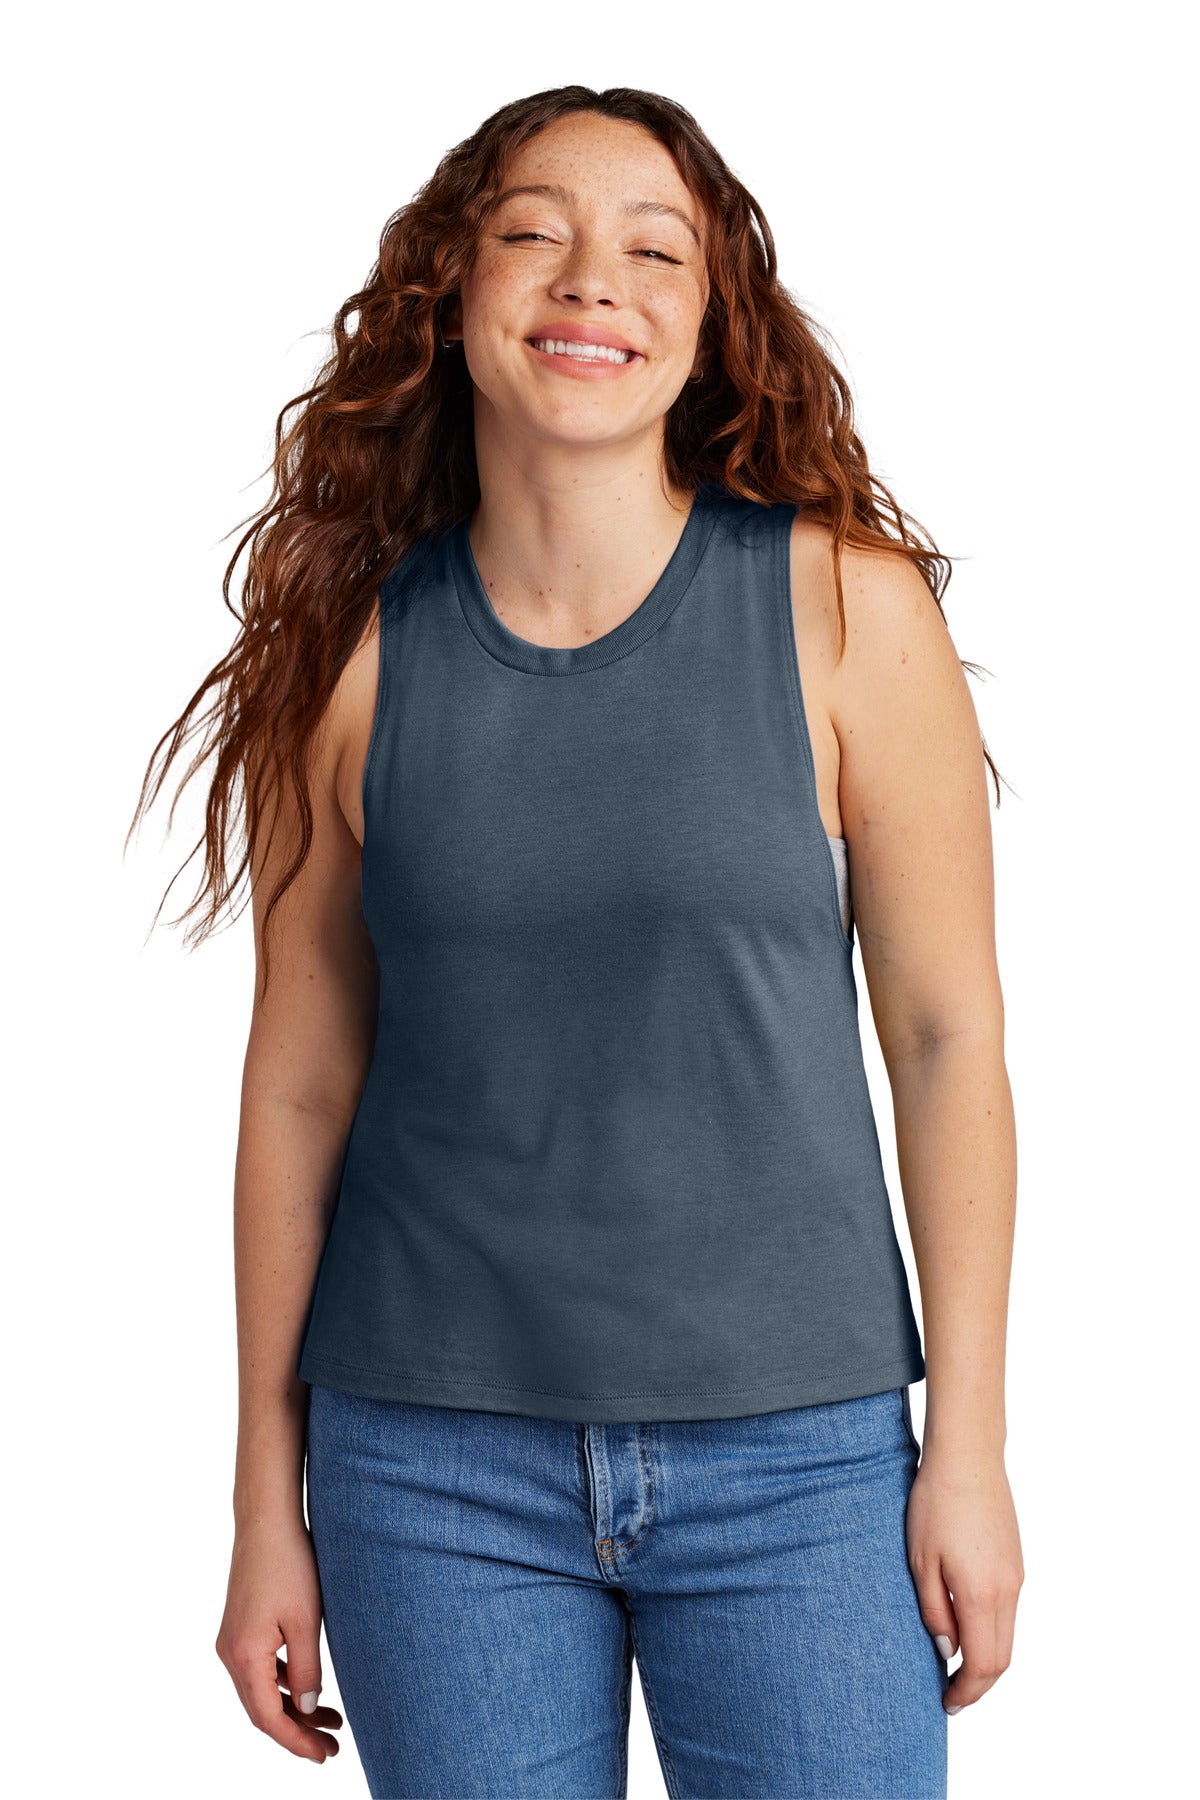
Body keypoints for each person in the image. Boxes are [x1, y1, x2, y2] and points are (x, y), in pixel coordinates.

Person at [133, 84, 1022, 1799]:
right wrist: (262, 1501)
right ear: (453, 295)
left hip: (802, 1461)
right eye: (533, 233)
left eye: (654, 252)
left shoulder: (849, 611)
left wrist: (967, 1448)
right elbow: (298, 1091)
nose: (590, 281)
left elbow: (945, 1043)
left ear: (712, 321)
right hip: (430, 1474)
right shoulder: (353, 659)